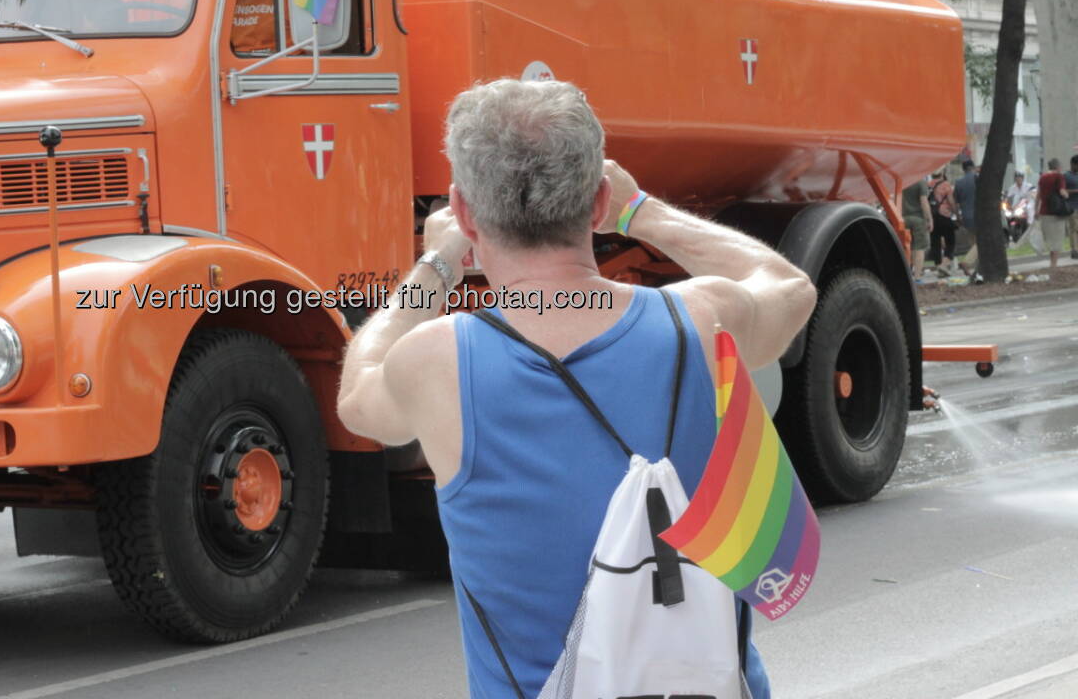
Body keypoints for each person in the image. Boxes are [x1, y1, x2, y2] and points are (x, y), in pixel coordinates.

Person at [337, 78, 815, 699]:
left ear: (465, 209)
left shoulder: (437, 361)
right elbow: (788, 286)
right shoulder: (699, 320)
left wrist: (439, 263)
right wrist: (644, 210)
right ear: (596, 204)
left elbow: (356, 396)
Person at [1037, 158, 1070, 273]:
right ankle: (1053, 265)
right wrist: (1067, 195)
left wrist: (1037, 210)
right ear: (1058, 167)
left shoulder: (1042, 177)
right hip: (1056, 213)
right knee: (1057, 240)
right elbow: (1062, 191)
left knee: (1050, 240)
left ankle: (1052, 264)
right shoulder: (1059, 177)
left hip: (1044, 212)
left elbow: (1038, 195)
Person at [901, 179, 932, 280]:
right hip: (918, 219)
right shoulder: (920, 182)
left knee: (906, 248)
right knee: (918, 248)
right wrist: (929, 219)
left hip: (903, 218)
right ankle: (917, 277)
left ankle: (907, 276)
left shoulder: (902, 181)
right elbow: (924, 202)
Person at [953, 159, 979, 275]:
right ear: (973, 167)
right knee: (981, 242)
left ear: (963, 170)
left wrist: (958, 216)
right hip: (979, 215)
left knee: (973, 243)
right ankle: (967, 262)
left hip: (966, 217)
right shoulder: (978, 178)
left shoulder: (958, 183)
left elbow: (956, 202)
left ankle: (976, 269)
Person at [929, 171, 957, 276]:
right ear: (942, 174)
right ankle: (944, 265)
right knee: (951, 241)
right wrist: (956, 214)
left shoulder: (928, 185)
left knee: (935, 243)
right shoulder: (946, 185)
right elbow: (951, 201)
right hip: (944, 215)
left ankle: (938, 268)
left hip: (932, 216)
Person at [1066, 155, 1078, 260]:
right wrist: (1075, 191)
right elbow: (1062, 190)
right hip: (1071, 207)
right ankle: (1074, 250)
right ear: (1073, 164)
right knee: (1074, 228)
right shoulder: (1066, 176)